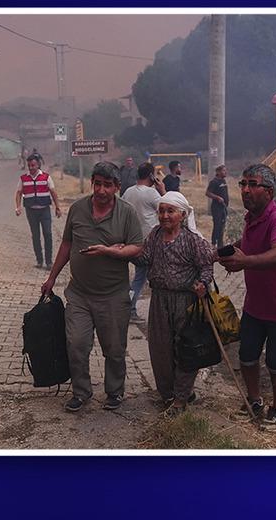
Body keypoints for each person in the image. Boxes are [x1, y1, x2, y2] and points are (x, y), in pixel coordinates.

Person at [41, 161, 144, 412]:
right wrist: (52, 277)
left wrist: (111, 252)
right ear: (92, 183)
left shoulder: (127, 213)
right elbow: (66, 244)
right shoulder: (77, 209)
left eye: (107, 185)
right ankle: (81, 392)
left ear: (117, 187)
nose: (101, 190)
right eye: (97, 184)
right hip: (79, 294)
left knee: (114, 348)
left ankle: (115, 391)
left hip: (113, 296)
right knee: (76, 344)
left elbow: (137, 247)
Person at [218, 164, 276, 432]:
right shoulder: (250, 218)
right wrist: (214, 255)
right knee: (247, 356)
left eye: (252, 184)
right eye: (243, 184)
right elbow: (243, 246)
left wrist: (245, 262)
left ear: (269, 191)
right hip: (256, 305)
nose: (245, 190)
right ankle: (254, 401)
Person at [132, 191, 215, 416]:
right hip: (159, 299)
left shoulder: (192, 239)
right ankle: (170, 393)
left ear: (183, 214)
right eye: (161, 211)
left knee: (185, 349)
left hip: (185, 301)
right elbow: (144, 258)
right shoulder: (155, 234)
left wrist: (203, 283)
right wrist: (123, 251)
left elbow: (206, 265)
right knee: (159, 349)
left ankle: (180, 399)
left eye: (170, 211)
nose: (165, 216)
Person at [122, 162, 164, 322]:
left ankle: (128, 307)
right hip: (148, 244)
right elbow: (168, 208)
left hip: (130, 241)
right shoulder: (152, 194)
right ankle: (130, 309)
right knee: (141, 278)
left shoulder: (128, 192)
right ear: (151, 176)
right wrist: (163, 190)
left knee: (139, 277)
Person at [15, 153, 62, 269]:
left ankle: (49, 261)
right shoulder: (23, 179)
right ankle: (39, 260)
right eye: (29, 166)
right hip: (31, 211)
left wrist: (57, 207)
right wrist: (18, 207)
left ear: (38, 165)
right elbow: (19, 193)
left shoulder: (46, 177)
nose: (31, 168)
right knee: (35, 236)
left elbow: (53, 193)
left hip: (44, 211)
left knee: (48, 234)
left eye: (33, 165)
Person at [205, 164, 230, 248]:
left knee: (222, 226)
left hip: (224, 207)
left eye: (225, 170)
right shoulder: (214, 182)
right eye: (224, 170)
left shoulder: (223, 181)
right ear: (218, 172)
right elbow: (208, 193)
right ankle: (213, 243)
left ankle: (220, 244)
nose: (225, 172)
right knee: (217, 225)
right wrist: (217, 197)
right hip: (216, 208)